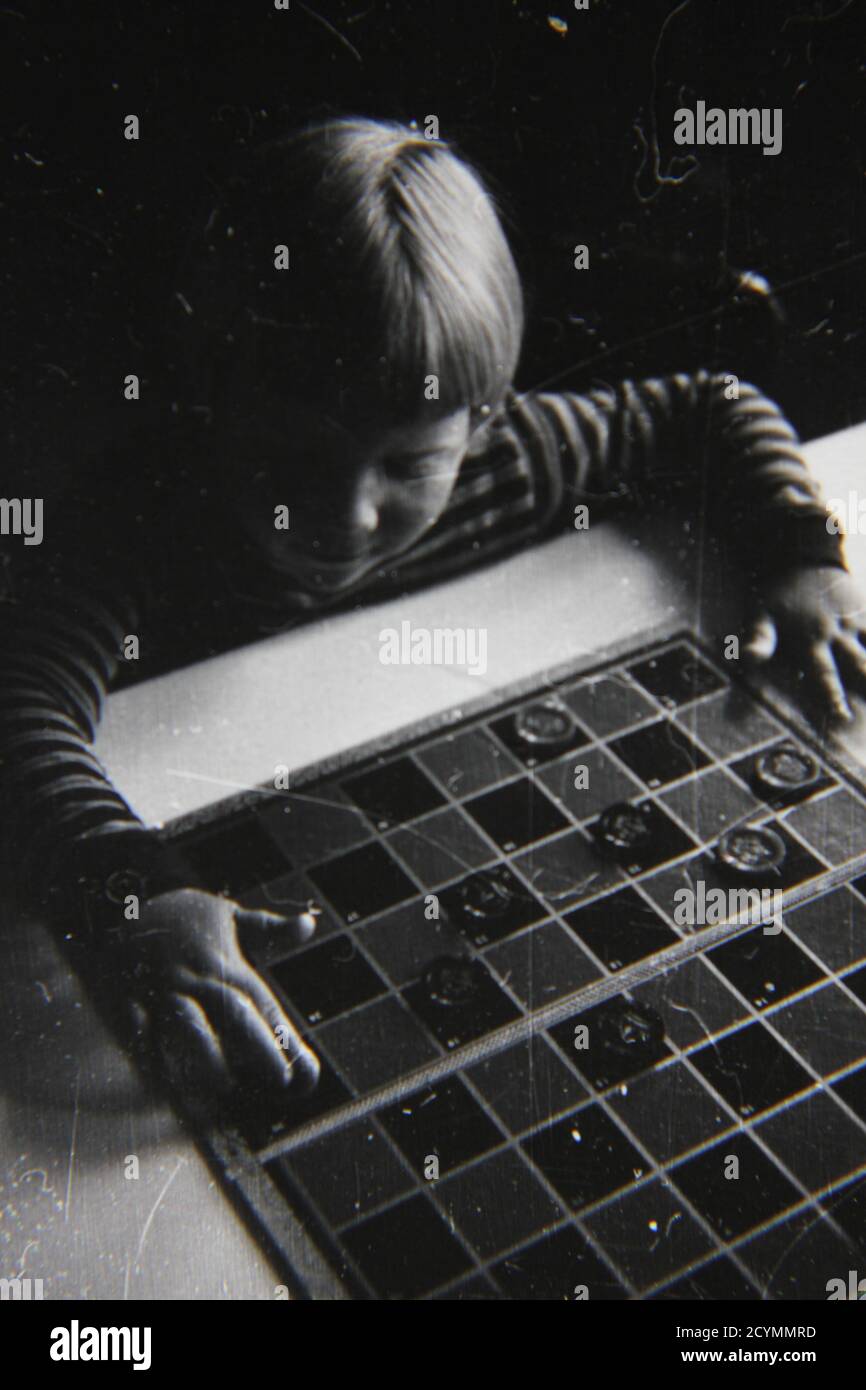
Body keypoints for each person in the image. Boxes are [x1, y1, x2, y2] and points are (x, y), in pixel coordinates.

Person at [2, 117, 863, 1111]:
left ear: (485, 414)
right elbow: (19, 709)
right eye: (295, 458)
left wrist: (799, 557)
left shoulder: (517, 457)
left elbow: (713, 403)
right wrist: (133, 892)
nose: (348, 513)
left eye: (409, 463)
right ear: (212, 392)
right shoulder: (139, 521)